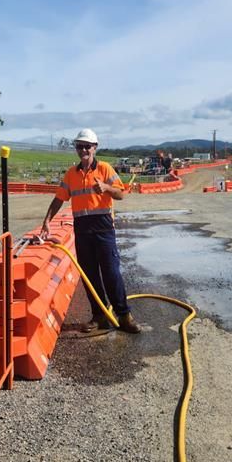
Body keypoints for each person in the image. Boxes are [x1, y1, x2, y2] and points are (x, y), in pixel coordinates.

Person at [39, 128, 140, 334]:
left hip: (103, 228)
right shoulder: (71, 174)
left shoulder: (105, 169)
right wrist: (47, 220)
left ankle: (124, 315)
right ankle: (99, 316)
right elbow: (59, 198)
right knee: (90, 276)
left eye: (87, 146)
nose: (83, 150)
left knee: (111, 273)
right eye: (79, 146)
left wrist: (106, 187)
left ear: (95, 147)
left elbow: (121, 194)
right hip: (82, 229)